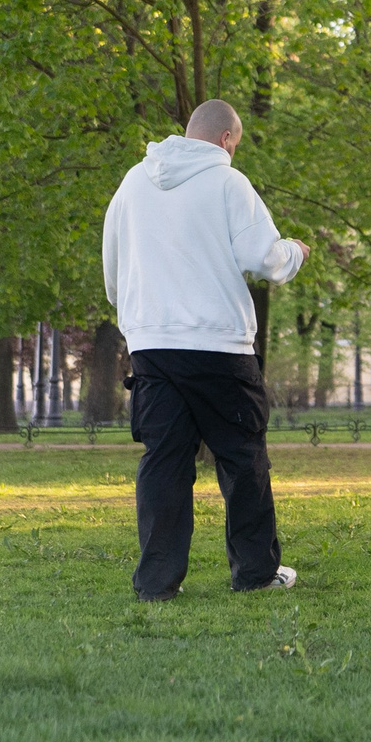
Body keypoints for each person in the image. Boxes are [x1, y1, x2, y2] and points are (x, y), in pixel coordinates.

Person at [102, 99, 308, 599]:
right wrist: (295, 253)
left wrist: (139, 318)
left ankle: (155, 583)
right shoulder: (227, 183)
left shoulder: (133, 182)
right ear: (225, 140)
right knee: (242, 458)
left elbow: (113, 268)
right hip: (218, 346)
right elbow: (265, 258)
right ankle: (256, 574)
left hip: (151, 344)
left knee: (164, 460)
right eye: (234, 146)